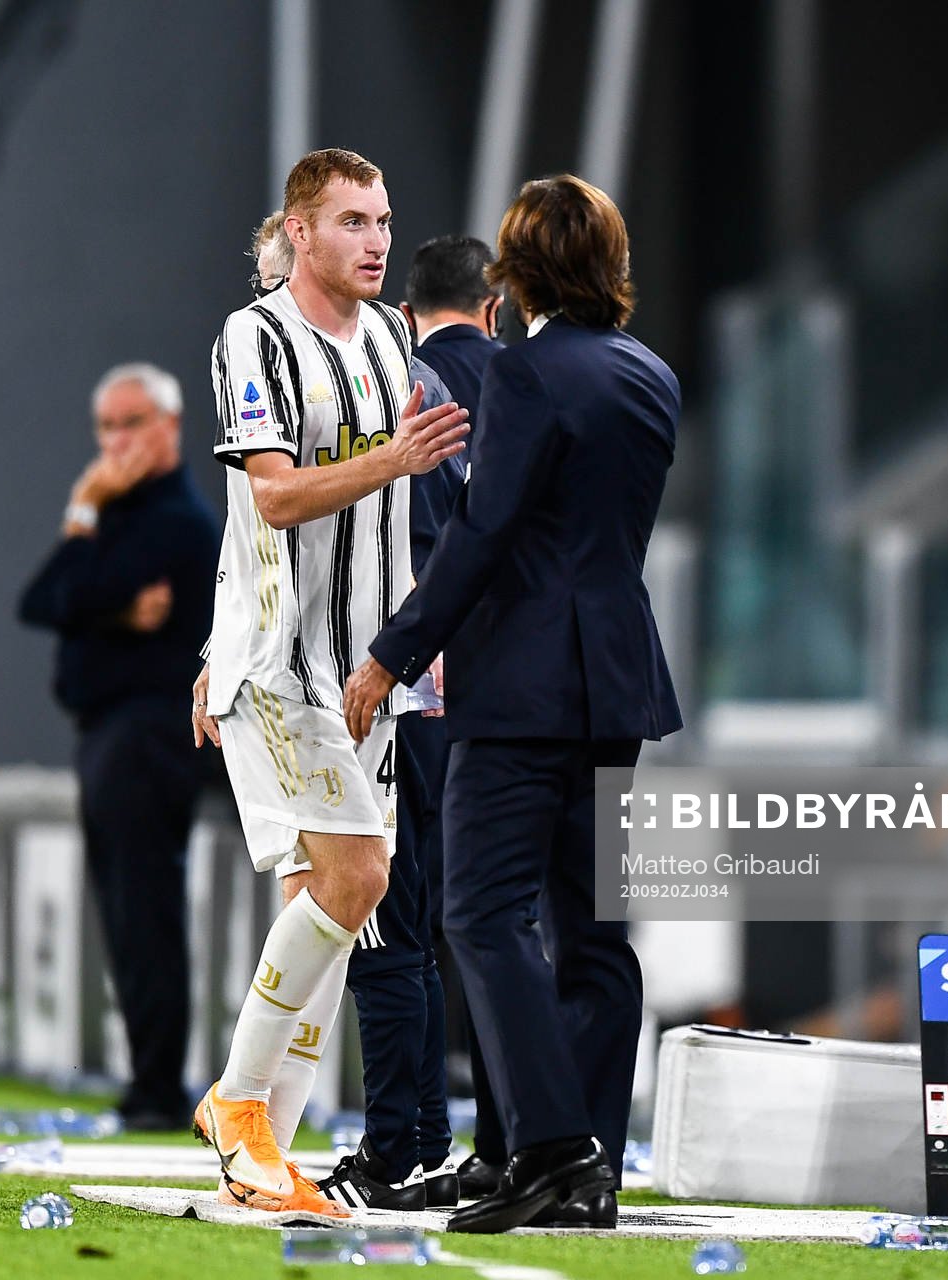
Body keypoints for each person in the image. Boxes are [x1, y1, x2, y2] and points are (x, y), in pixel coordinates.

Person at [344, 175, 681, 1233]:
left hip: (522, 685)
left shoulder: (526, 375)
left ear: (517, 271)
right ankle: (592, 1167)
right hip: (619, 681)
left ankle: (545, 1147)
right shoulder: (652, 376)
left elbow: (484, 535)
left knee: (480, 912)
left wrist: (392, 655)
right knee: (596, 935)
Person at [188, 148, 468, 1218]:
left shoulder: (394, 339)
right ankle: (239, 1104)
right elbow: (269, 499)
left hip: (367, 673)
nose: (377, 239)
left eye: (385, 219)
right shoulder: (253, 336)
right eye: (353, 220)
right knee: (356, 882)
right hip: (284, 662)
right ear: (299, 233)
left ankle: (270, 1152)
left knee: (330, 902)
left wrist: (406, 641)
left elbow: (392, 518)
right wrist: (220, 644)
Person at [254, 212, 462, 1211]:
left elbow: (341, 540)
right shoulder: (486, 391)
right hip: (454, 692)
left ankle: (394, 1145)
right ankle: (430, 1134)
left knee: (378, 921)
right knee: (425, 925)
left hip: (369, 684)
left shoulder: (385, 398)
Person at [18, 362, 219, 1129]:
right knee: (130, 911)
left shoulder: (175, 521)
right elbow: (44, 601)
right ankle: (151, 1080)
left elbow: (60, 595)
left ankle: (159, 1087)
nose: (114, 441)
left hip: (148, 731)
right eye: (105, 426)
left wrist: (83, 517)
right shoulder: (120, 514)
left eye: (131, 423)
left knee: (146, 909)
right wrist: (106, 603)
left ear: (170, 427)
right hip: (110, 730)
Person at [397, 233, 510, 1200]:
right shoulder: (533, 383)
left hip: (416, 680)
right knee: (517, 919)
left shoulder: (398, 389)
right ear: (495, 304)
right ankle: (522, 1138)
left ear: (408, 312)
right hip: (530, 685)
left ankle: (416, 1133)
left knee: (419, 919)